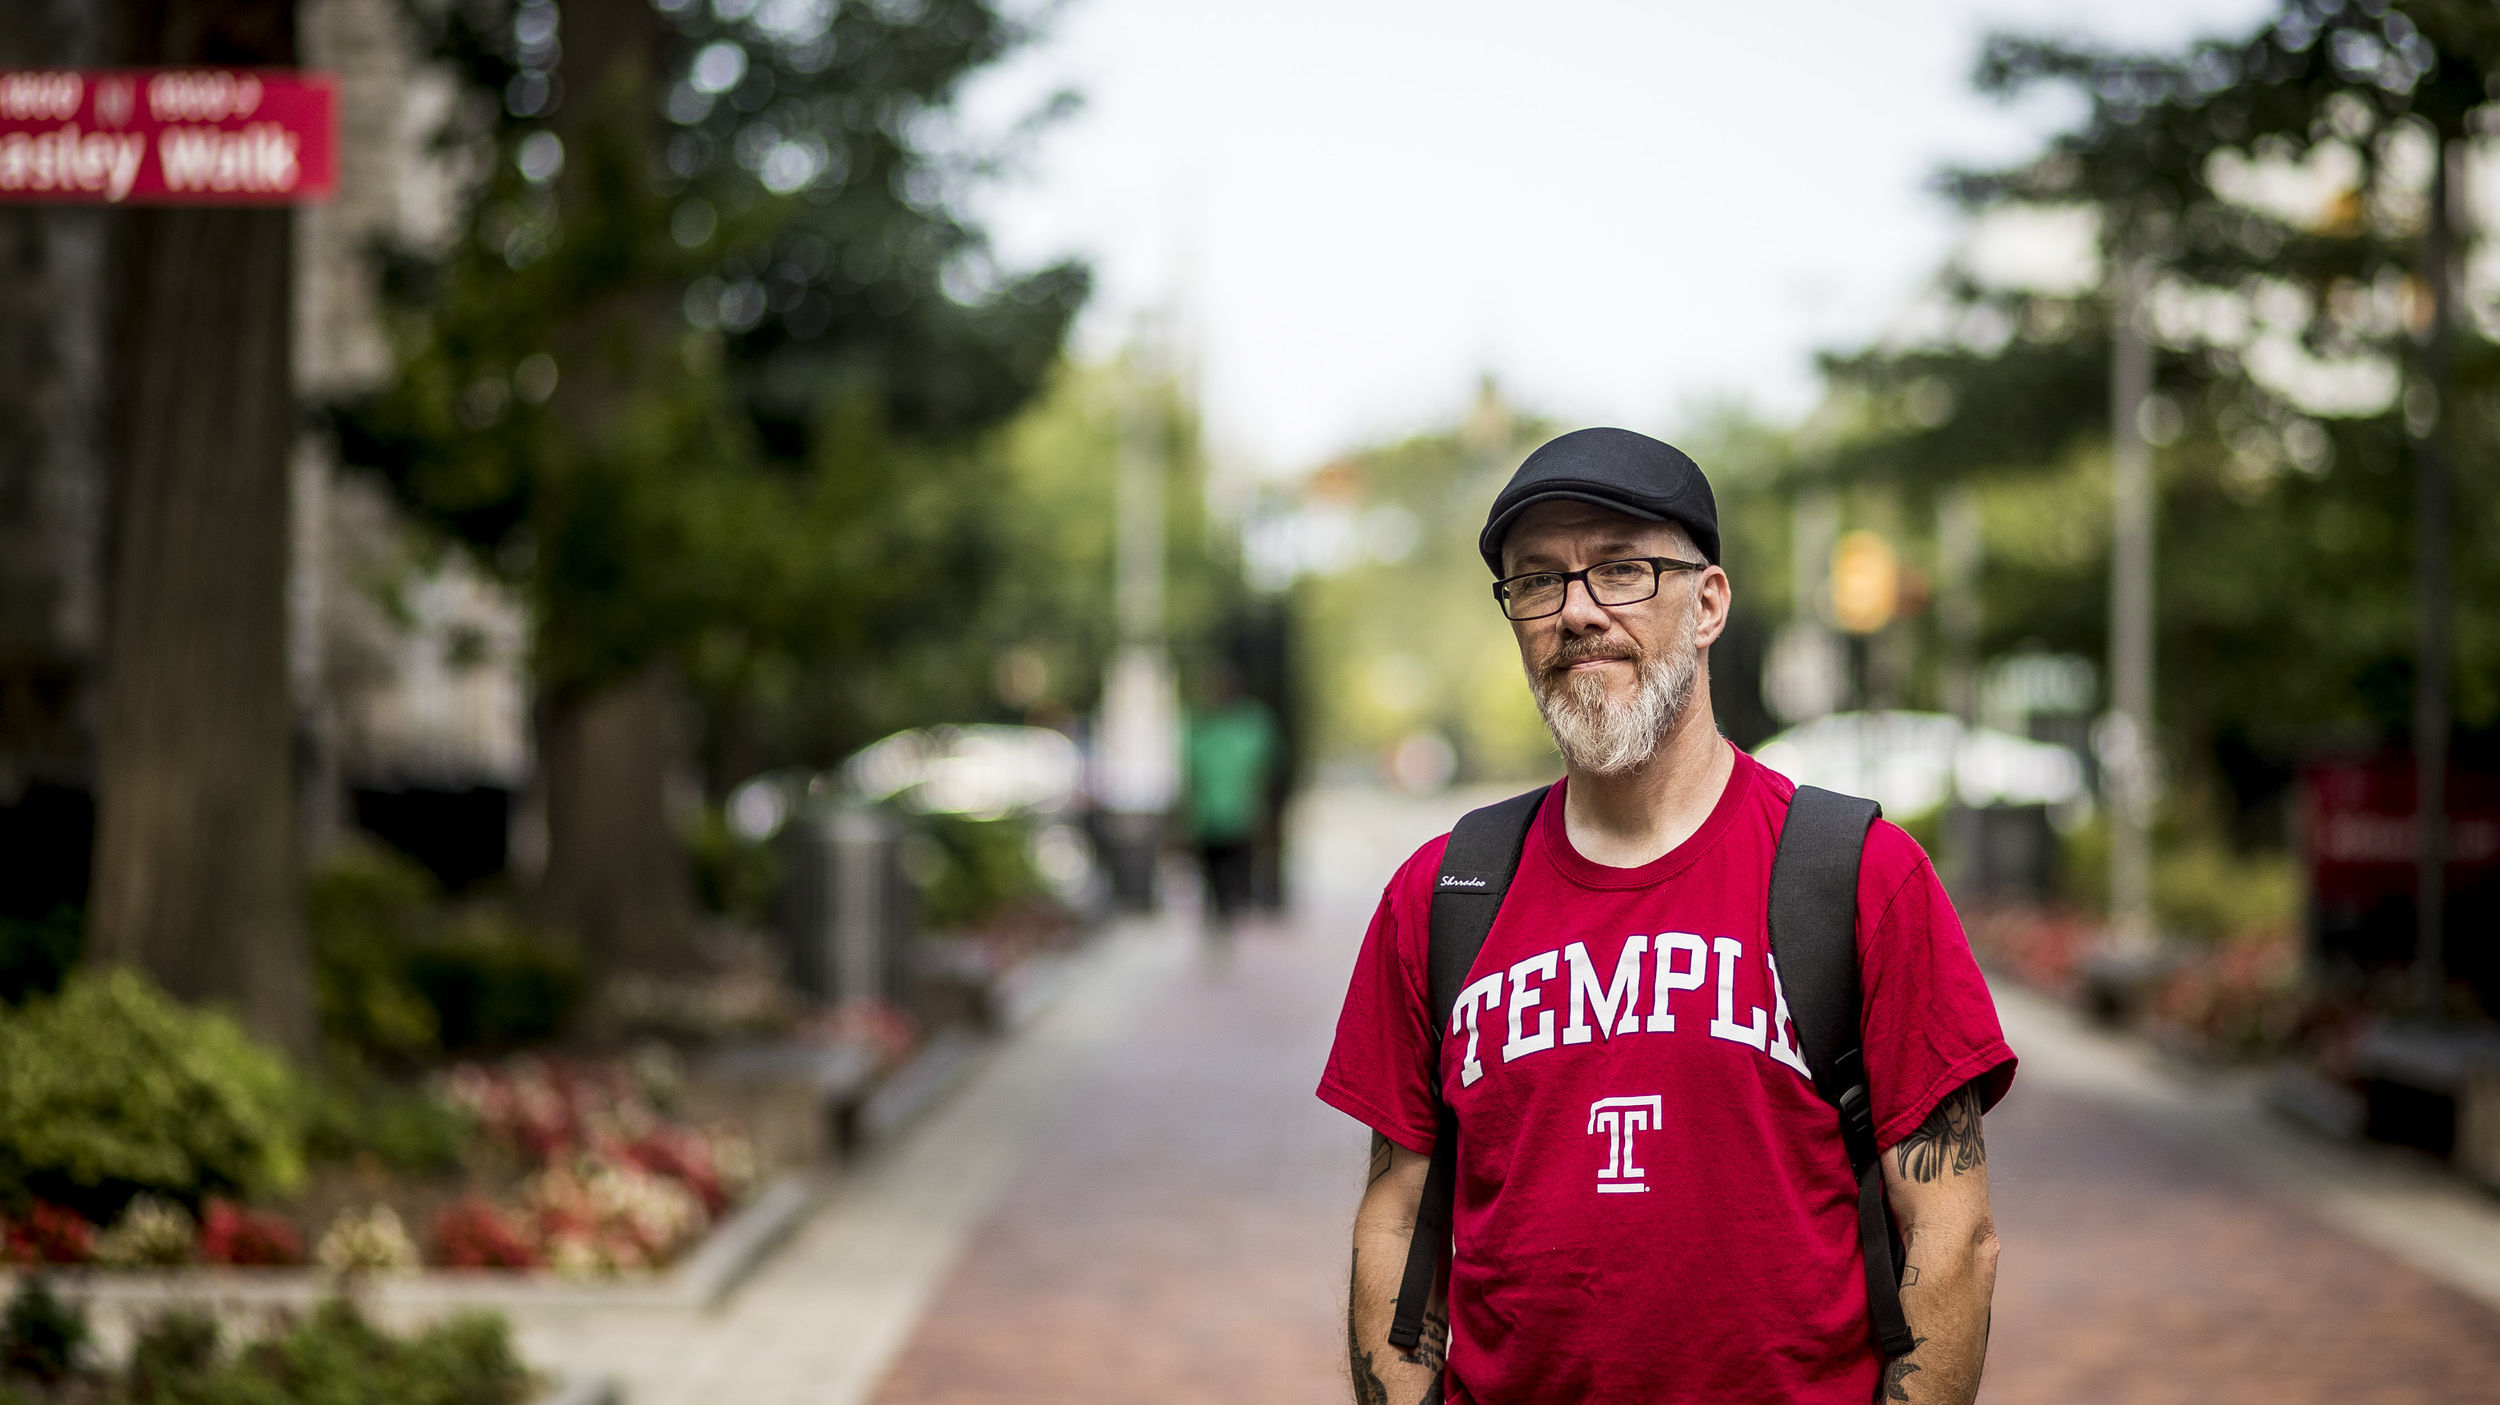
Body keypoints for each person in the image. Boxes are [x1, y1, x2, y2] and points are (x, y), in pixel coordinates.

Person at [1319, 428, 2015, 1405]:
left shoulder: (1855, 876)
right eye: (1536, 581)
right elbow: (1393, 1219)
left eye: (1622, 570)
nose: (1576, 611)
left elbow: (1952, 1233)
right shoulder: (1440, 898)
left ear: (1708, 602)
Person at [1182, 665, 1278, 931]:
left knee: (1236, 872)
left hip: (1241, 815)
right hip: (1208, 816)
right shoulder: (1199, 727)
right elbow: (1191, 772)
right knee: (1212, 871)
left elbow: (1266, 769)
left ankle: (1230, 914)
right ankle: (1219, 916)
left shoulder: (1253, 724)